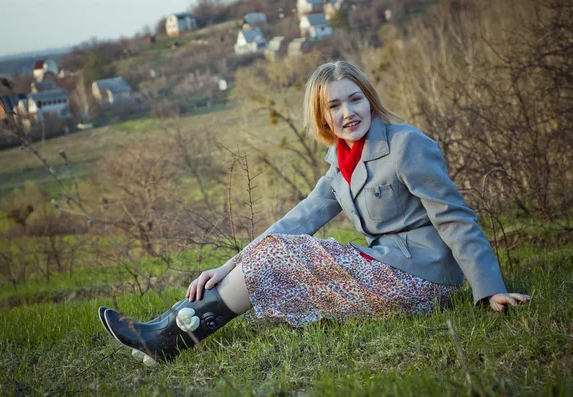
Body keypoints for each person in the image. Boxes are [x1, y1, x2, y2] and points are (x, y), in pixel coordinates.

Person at [99, 60, 530, 365]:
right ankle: (166, 331)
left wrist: (489, 287)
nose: (348, 113)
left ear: (369, 99)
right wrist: (227, 264)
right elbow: (297, 220)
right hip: (387, 273)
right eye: (335, 106)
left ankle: (171, 336)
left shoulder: (405, 144)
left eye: (355, 99)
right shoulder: (339, 164)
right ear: (322, 116)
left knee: (281, 255)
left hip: (425, 279)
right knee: (277, 248)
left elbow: (454, 216)